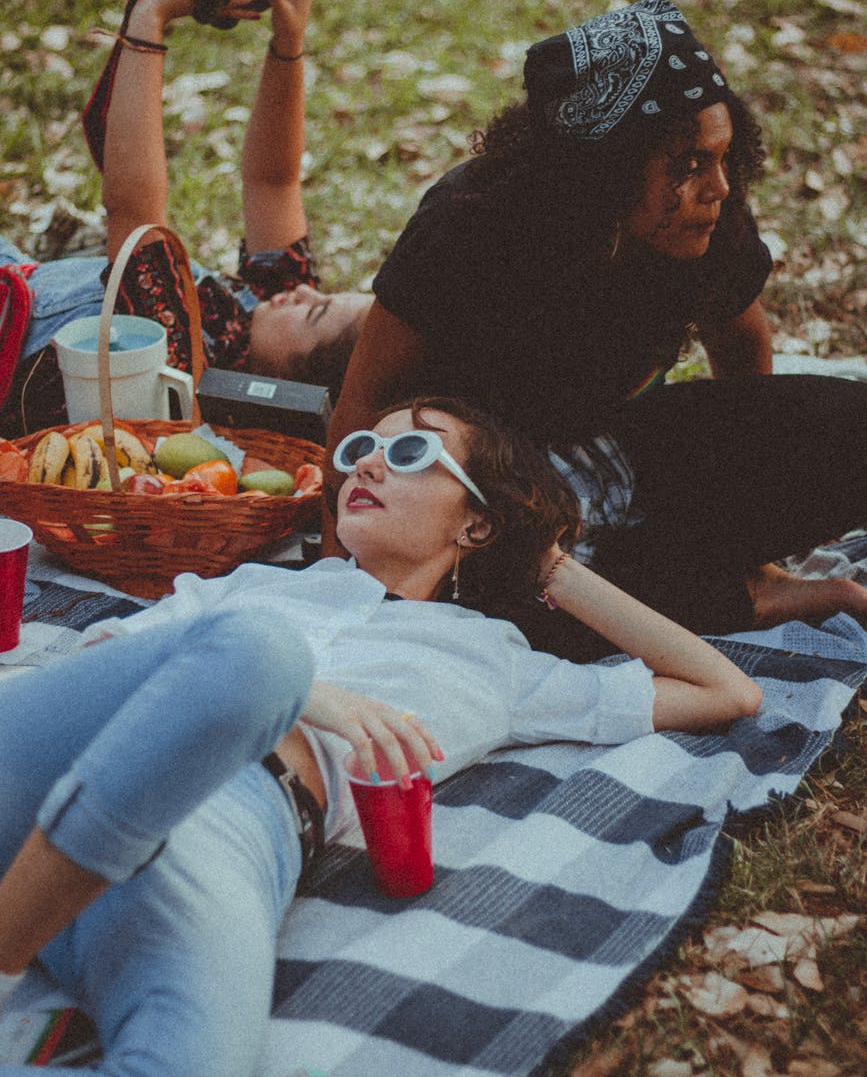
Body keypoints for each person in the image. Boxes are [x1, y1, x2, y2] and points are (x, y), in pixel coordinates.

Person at [0, 394, 761, 1076]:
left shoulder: (498, 663)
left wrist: (547, 564)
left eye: (409, 452)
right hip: (76, 760)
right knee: (257, 655)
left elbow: (723, 689)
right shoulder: (253, 586)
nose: (365, 459)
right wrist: (305, 696)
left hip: (231, 833)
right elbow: (103, 663)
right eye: (362, 446)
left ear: (477, 520)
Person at [324, 0, 867, 641]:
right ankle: (756, 599)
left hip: (618, 453)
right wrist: (337, 588)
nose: (718, 187)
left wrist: (748, 503)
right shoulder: (466, 225)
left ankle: (737, 581)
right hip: (485, 491)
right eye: (689, 165)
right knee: (511, 612)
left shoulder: (705, 213)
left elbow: (743, 348)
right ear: (603, 174)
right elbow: (362, 406)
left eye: (723, 157)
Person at [0, 0, 371, 439]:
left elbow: (133, 211)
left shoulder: (182, 357)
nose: (303, 290)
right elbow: (272, 181)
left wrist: (150, 19)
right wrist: (290, 40)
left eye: (315, 311)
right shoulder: (264, 316)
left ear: (294, 389)